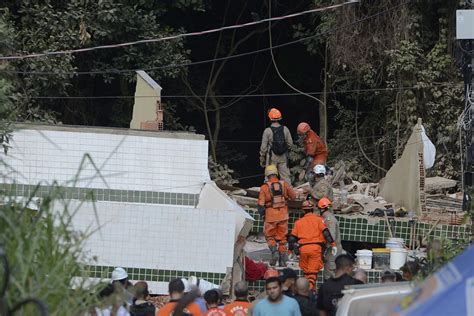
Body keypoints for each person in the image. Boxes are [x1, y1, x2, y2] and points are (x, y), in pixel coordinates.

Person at [289, 200, 337, 290]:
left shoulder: (298, 222)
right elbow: (326, 233)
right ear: (312, 209)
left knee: (306, 273)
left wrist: (290, 251)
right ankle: (309, 292)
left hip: (303, 250)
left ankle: (310, 291)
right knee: (312, 275)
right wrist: (333, 244)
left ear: (303, 210)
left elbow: (292, 239)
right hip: (315, 249)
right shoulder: (319, 220)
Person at [257, 165, 297, 267]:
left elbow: (261, 205)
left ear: (267, 175)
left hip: (270, 216)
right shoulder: (284, 185)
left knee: (270, 236)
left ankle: (274, 252)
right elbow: (294, 196)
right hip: (283, 215)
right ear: (277, 173)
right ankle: (282, 260)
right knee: (282, 238)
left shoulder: (264, 187)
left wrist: (263, 215)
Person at [259, 108, 293, 184]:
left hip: (272, 157)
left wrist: (262, 158)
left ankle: (270, 192)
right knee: (285, 177)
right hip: (283, 156)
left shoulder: (267, 131)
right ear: (279, 118)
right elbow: (290, 144)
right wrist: (283, 149)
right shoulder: (285, 129)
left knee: (270, 176)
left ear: (270, 118)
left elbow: (263, 148)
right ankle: (287, 192)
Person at [318, 198, 342, 280]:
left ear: (321, 209)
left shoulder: (329, 220)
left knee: (330, 274)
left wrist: (324, 246)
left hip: (332, 249)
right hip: (332, 249)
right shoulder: (328, 218)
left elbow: (331, 236)